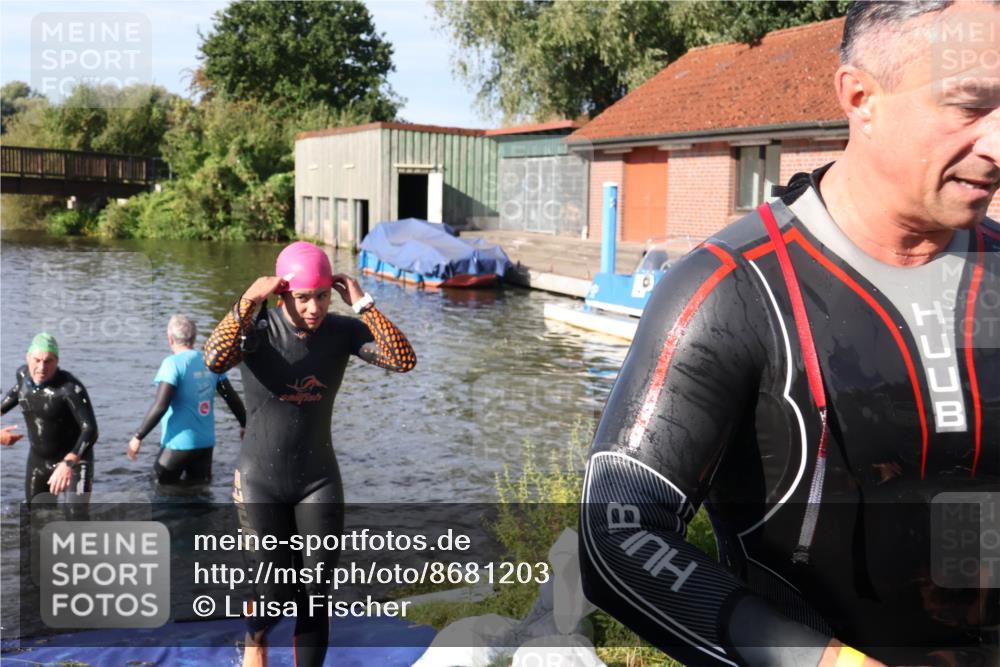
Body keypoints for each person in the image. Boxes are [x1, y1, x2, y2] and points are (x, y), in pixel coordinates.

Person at [579, 2, 999, 666]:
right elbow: (617, 534)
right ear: (861, 98)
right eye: (969, 107)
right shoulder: (730, 289)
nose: (998, 144)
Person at [203, 241, 416, 667]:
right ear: (283, 293)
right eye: (303, 297)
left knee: (316, 594)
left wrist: (364, 304)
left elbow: (403, 360)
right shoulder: (256, 331)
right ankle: (255, 637)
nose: (314, 307)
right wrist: (247, 301)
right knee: (274, 594)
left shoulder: (343, 331)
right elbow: (214, 359)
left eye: (321, 296)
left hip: (317, 479)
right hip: (259, 480)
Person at [127, 314, 247, 484]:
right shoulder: (210, 361)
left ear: (170, 339)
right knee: (198, 493)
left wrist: (138, 437)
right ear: (194, 337)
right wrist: (244, 424)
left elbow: (161, 405)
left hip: (178, 444)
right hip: (205, 444)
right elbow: (231, 398)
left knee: (159, 490)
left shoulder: (172, 364)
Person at [0, 333, 99, 508]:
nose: (41, 367)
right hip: (38, 462)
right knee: (35, 516)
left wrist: (69, 462)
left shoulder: (69, 389)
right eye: (37, 360)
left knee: (76, 517)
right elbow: (18, 392)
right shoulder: (23, 375)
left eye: (48, 361)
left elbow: (90, 430)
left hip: (75, 461)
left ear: (57, 362)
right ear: (28, 358)